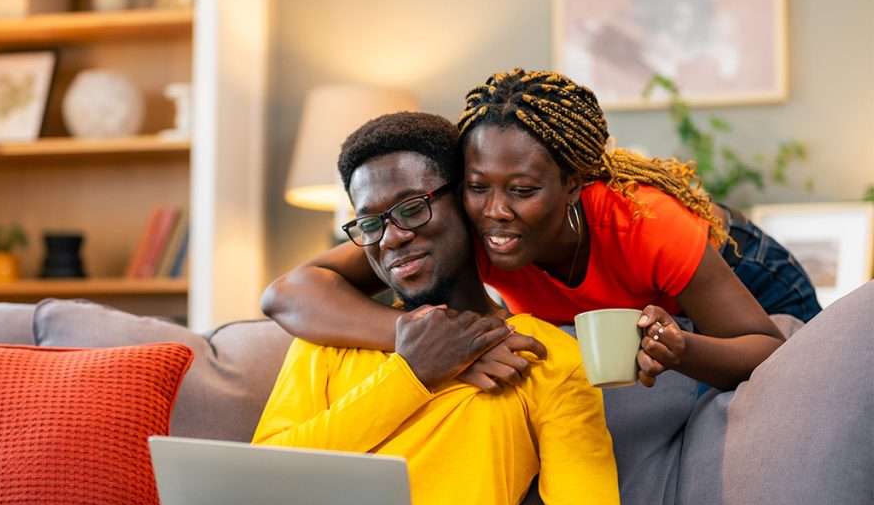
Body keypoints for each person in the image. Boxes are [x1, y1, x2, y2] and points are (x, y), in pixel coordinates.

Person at [252, 111, 625, 505]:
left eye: (412, 208)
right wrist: (412, 373)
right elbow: (262, 481)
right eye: (370, 223)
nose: (391, 238)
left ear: (468, 205)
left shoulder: (543, 355)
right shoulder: (326, 339)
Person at [262, 69, 817, 390]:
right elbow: (288, 293)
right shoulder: (460, 220)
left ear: (573, 183)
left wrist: (682, 349)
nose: (496, 212)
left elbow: (766, 348)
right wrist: (419, 338)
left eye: (523, 190)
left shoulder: (645, 225)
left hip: (747, 269)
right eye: (478, 186)